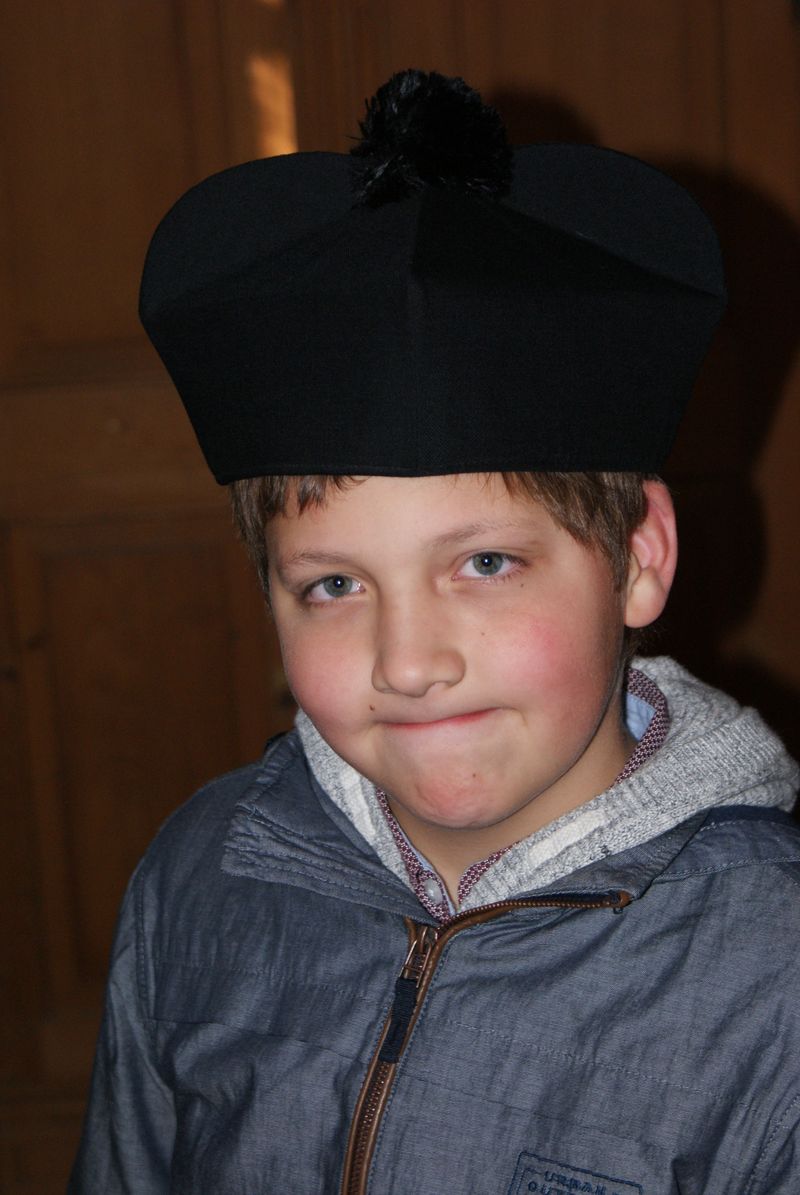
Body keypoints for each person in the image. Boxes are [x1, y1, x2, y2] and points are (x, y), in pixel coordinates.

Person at [69, 70, 800, 1194]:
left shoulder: (771, 973)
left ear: (638, 556)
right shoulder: (196, 878)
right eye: (333, 584)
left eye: (485, 563)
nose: (407, 662)